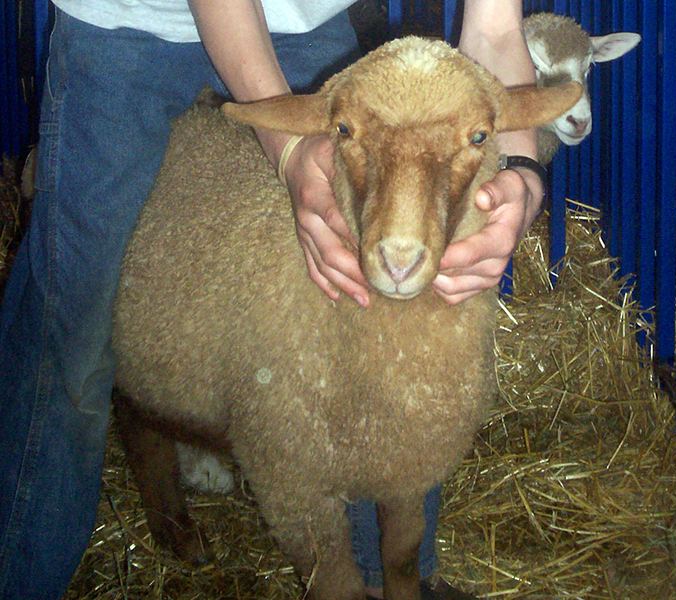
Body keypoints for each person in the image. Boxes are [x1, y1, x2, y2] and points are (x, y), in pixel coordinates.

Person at [0, 1, 544, 598]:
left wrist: (520, 172)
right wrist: (287, 152)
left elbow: (493, 27)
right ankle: (22, 573)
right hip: (126, 24)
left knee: (393, 307)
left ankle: (397, 576)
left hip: (300, 23)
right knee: (69, 337)